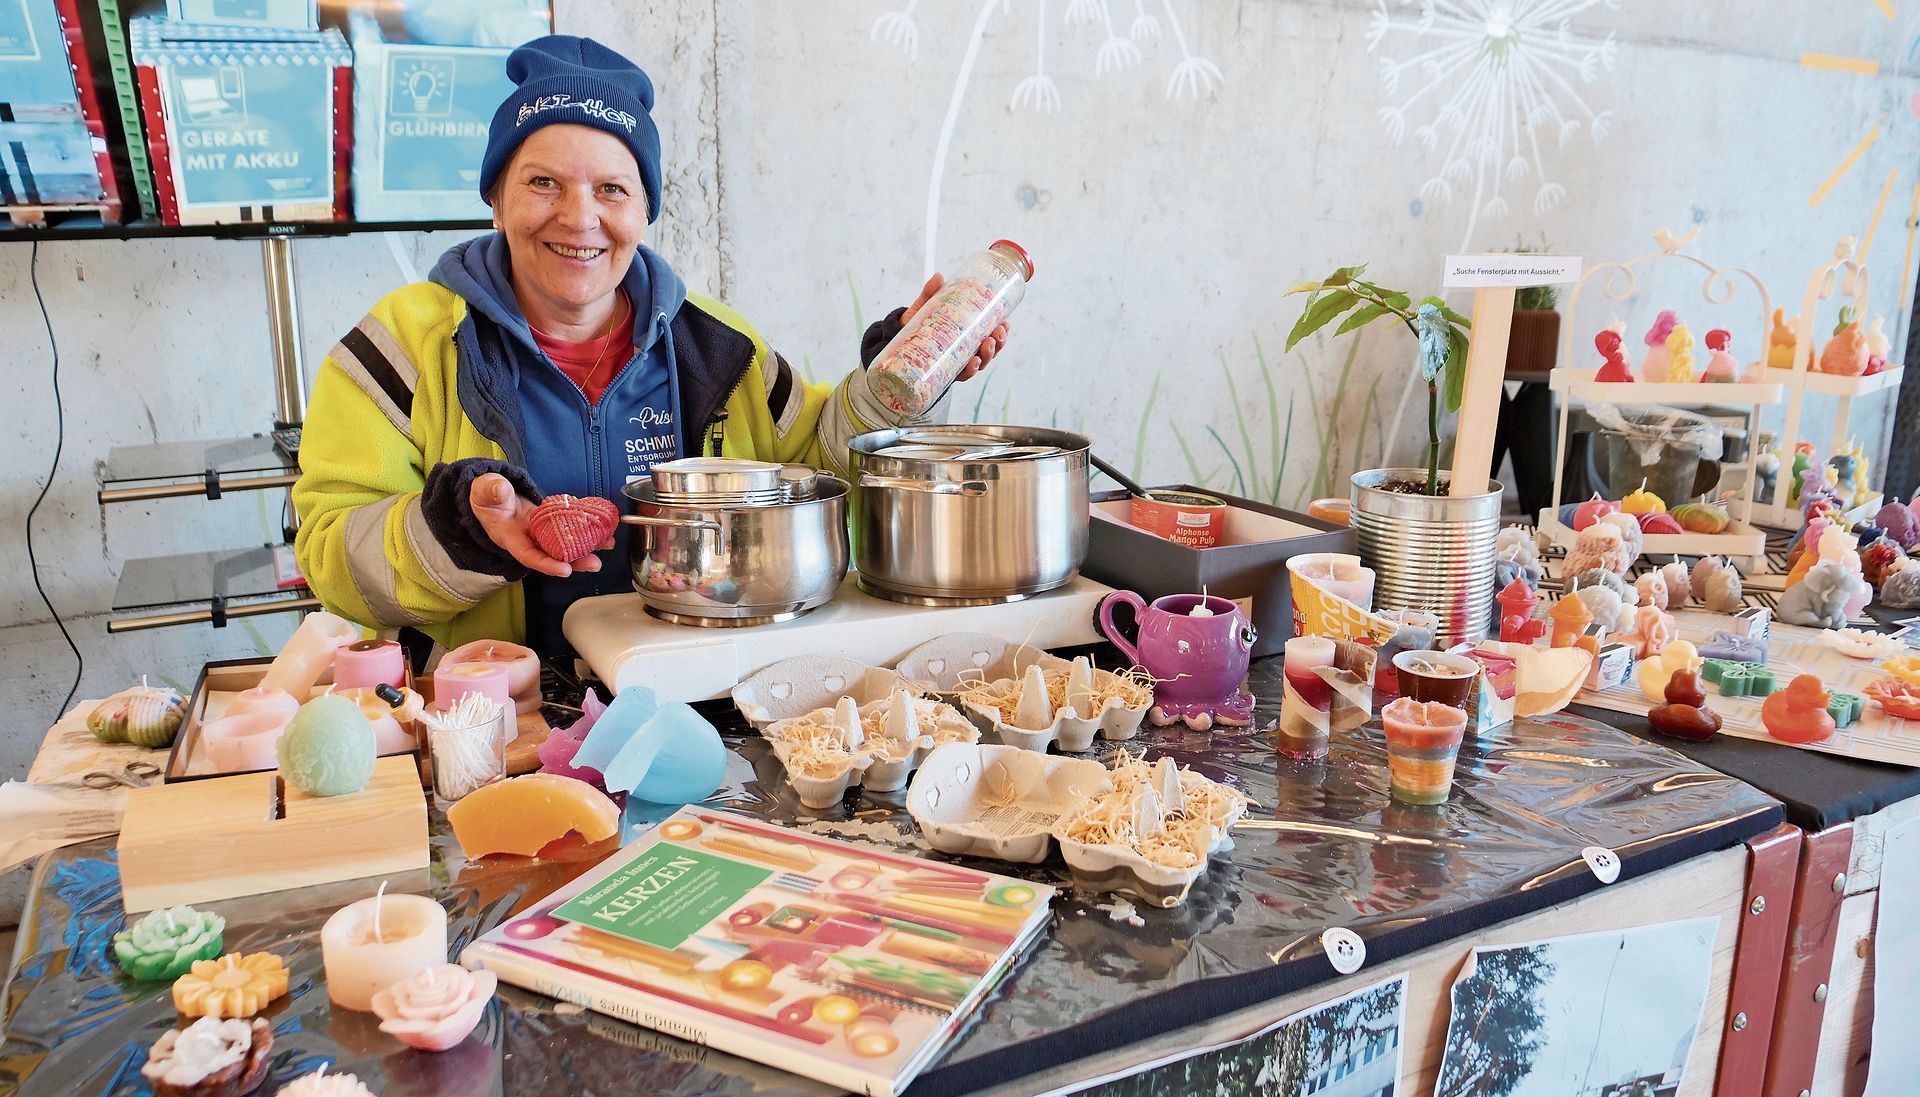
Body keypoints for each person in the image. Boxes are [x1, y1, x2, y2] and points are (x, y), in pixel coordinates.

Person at [293, 35, 1009, 656]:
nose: (580, 217)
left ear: (644, 210)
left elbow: (821, 472)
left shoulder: (718, 348)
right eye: (542, 182)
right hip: (495, 718)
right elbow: (329, 556)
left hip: (691, 704)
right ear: (497, 199)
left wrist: (897, 381)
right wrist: (457, 530)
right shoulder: (402, 350)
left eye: (611, 189)